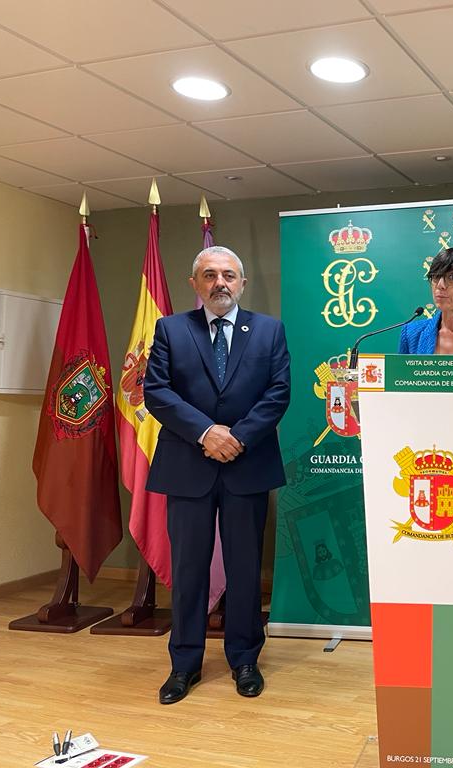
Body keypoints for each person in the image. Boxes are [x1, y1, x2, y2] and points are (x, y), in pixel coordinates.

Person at [144, 245, 291, 705]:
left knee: (246, 570)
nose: (220, 283)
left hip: (247, 465)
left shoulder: (269, 331)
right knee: (189, 571)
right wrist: (206, 433)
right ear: (195, 284)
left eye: (228, 275)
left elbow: (277, 392)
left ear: (242, 283)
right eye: (209, 275)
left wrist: (235, 437)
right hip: (188, 466)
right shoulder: (170, 328)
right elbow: (157, 392)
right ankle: (183, 664)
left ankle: (244, 660)